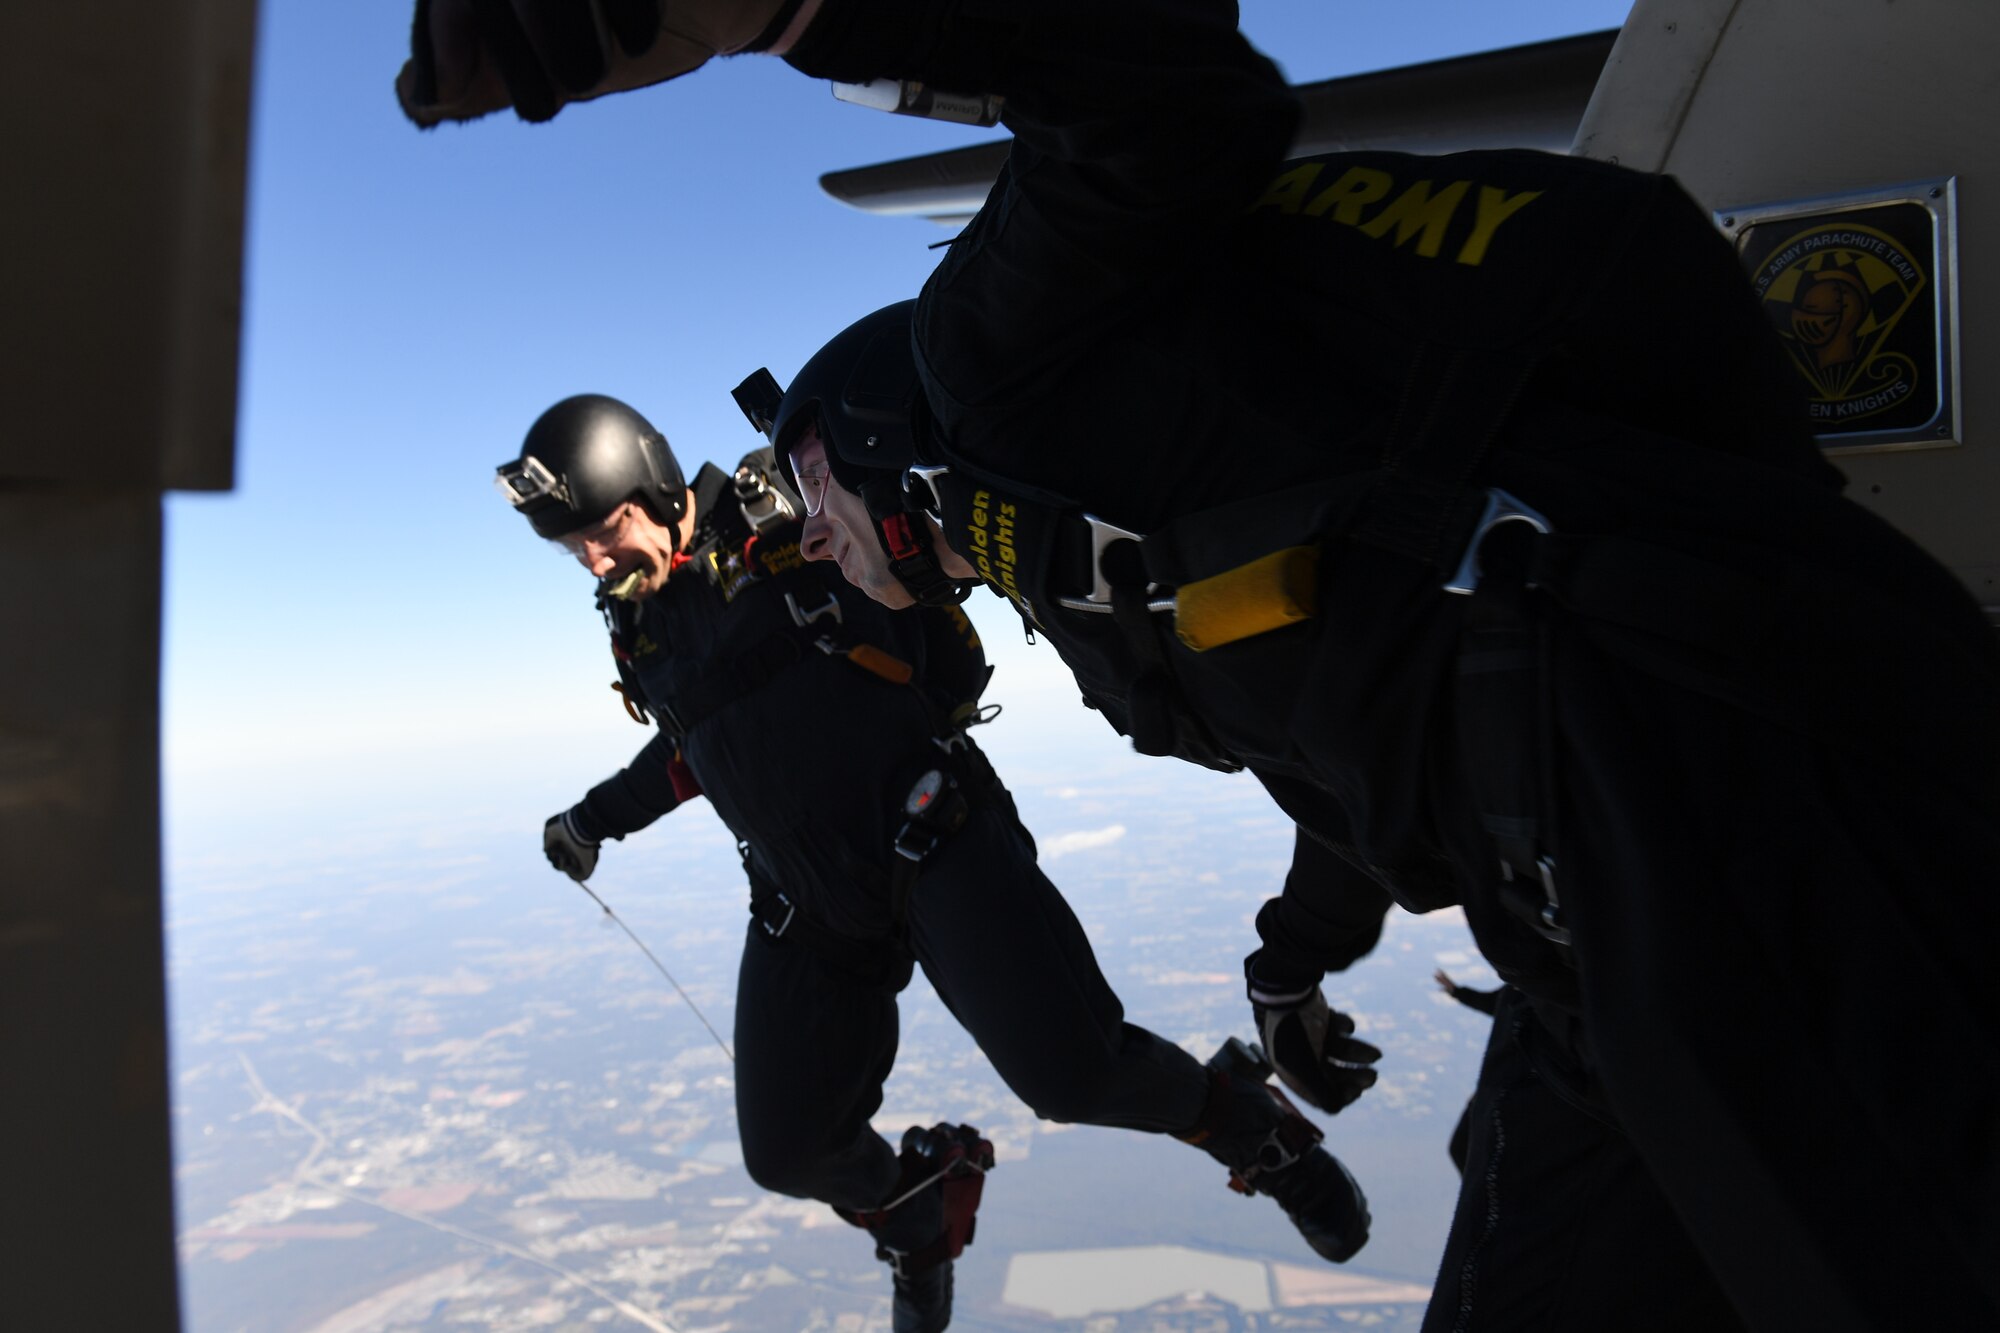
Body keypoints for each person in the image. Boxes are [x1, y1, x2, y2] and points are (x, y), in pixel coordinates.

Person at [400, 5, 2000, 1328]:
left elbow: (1166, 98)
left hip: (1705, 773)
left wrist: (788, 10)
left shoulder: (981, 374)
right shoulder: (1101, 574)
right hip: (1572, 895)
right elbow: (1339, 738)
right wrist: (1299, 952)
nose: (802, 534)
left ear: (866, 446)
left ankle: (1246, 1132)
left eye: (805, 493)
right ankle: (935, 1197)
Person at [494, 391, 1375, 1333]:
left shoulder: (785, 525)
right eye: (573, 544)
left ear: (659, 489)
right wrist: (594, 820)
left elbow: (941, 622)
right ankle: (917, 1213)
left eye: (605, 527)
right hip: (809, 899)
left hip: (933, 836)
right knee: (788, 1149)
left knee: (1074, 1076)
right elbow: (698, 746)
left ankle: (1250, 1124)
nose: (594, 557)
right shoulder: (645, 621)